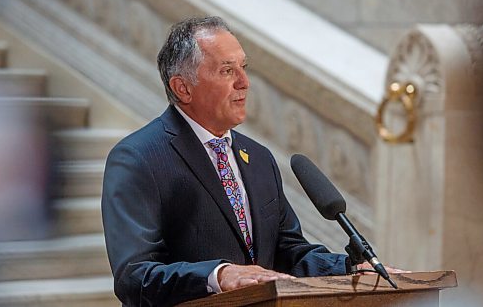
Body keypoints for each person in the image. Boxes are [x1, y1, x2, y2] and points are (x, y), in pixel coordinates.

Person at [102, 16, 359, 307]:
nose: (244, 82)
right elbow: (134, 277)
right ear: (183, 88)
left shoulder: (259, 157)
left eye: (243, 67)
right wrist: (219, 275)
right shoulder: (138, 157)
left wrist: (350, 270)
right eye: (227, 70)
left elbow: (288, 252)